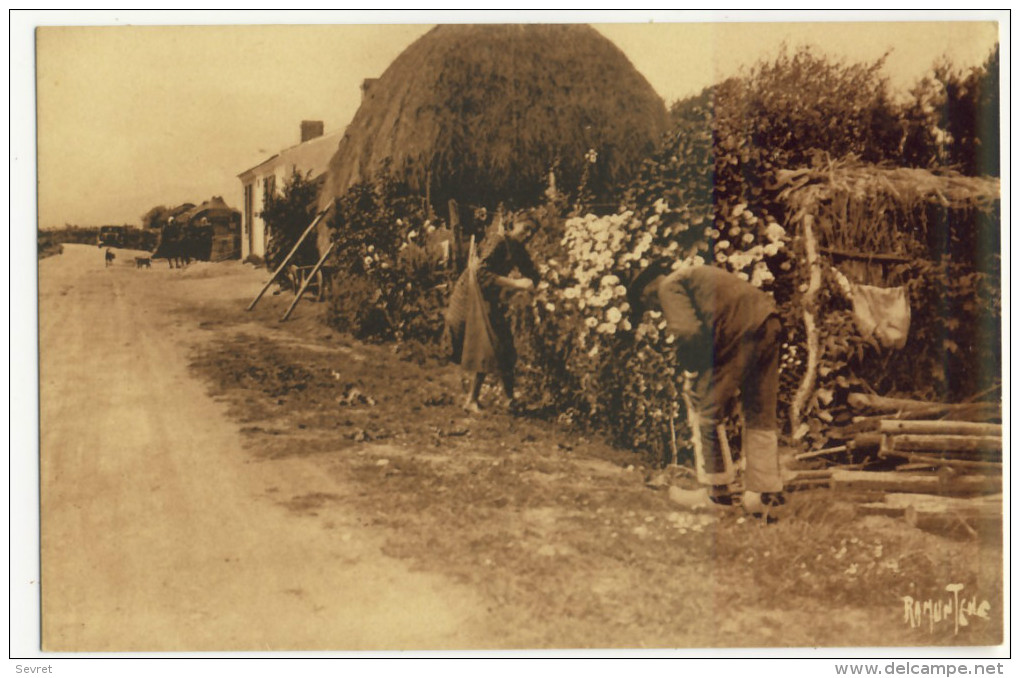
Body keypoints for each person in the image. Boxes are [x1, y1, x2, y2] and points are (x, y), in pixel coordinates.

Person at [627, 261, 785, 515]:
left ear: (648, 292)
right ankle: (765, 496)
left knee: (705, 407)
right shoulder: (693, 276)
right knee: (760, 412)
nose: (658, 310)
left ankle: (717, 494)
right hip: (768, 322)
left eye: (651, 306)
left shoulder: (668, 286)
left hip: (740, 332)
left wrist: (692, 368)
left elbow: (688, 333)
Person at [444, 214, 539, 414]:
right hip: (472, 294)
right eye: (525, 229)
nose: (528, 235)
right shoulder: (498, 241)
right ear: (514, 225)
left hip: (488, 296)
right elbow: (480, 273)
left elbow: (532, 272)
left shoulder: (517, 248)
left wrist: (546, 284)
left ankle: (510, 400)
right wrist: (516, 284)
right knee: (487, 343)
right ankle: (472, 399)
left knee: (505, 344)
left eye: (533, 232)